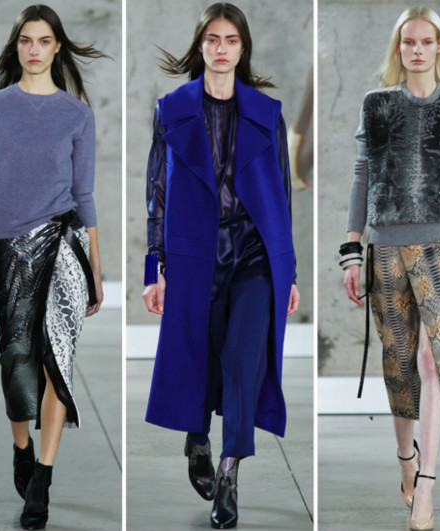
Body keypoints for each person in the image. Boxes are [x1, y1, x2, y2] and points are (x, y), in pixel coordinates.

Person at [0, 5, 106, 530]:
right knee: (17, 363)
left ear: (58, 47)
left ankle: (43, 481)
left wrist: (97, 269)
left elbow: (85, 195)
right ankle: (22, 447)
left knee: (57, 364)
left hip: (65, 247)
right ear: (17, 47)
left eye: (44, 40)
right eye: (26, 41)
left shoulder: (77, 115)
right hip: (10, 249)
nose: (34, 49)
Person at [141, 3, 299, 529]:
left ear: (242, 48)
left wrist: (290, 272)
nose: (222, 48)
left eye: (231, 40)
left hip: (255, 255)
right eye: (213, 39)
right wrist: (153, 270)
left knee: (241, 358)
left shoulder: (267, 113)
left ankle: (229, 474)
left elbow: (281, 197)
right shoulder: (171, 110)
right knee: (201, 357)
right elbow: (156, 195)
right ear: (201, 46)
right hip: (195, 256)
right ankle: (198, 440)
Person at [340, 6, 440, 531]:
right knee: (400, 362)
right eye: (408, 42)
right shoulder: (376, 105)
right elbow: (362, 175)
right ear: (398, 48)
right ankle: (406, 458)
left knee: (432, 359)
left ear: (439, 47)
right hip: (386, 247)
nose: (416, 50)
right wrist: (351, 249)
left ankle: (426, 487)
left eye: (425, 42)